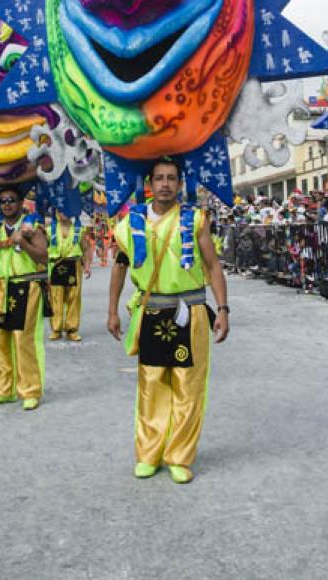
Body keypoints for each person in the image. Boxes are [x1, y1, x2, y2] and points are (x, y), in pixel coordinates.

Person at [107, 158, 229, 484]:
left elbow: (213, 265)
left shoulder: (195, 219)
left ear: (179, 183)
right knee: (151, 385)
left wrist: (224, 309)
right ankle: (148, 454)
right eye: (159, 178)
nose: (165, 184)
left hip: (191, 311)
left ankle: (179, 456)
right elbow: (120, 266)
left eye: (171, 178)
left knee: (189, 387)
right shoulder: (131, 222)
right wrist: (111, 310)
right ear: (150, 182)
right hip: (152, 311)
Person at [0, 187, 49, 410]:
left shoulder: (32, 228)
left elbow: (43, 257)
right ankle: (3, 390)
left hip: (26, 286)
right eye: (2, 201)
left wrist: (23, 242)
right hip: (2, 287)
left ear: (21, 203)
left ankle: (30, 390)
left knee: (23, 340)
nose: (7, 204)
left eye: (11, 200)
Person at [47, 210, 91, 341]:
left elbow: (86, 248)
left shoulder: (79, 229)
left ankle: (72, 329)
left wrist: (87, 265)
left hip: (74, 265)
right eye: (60, 210)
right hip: (55, 265)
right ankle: (56, 329)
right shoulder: (49, 230)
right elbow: (43, 249)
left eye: (66, 209)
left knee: (74, 297)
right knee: (55, 298)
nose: (63, 213)